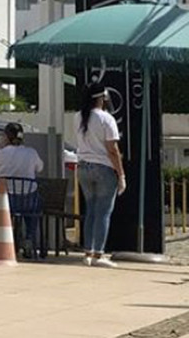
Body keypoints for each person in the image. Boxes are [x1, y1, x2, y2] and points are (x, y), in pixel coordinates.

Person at [75, 82, 126, 267]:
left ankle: (87, 252)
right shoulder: (107, 118)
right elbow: (112, 150)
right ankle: (98, 254)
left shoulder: (79, 116)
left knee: (90, 211)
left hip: (82, 167)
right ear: (102, 98)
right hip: (103, 167)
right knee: (103, 212)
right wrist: (121, 175)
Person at [0, 122, 44, 256]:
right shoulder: (31, 152)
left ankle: (4, 240)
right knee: (36, 206)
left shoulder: (1, 153)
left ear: (6, 137)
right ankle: (30, 238)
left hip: (7, 202)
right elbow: (40, 168)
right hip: (28, 200)